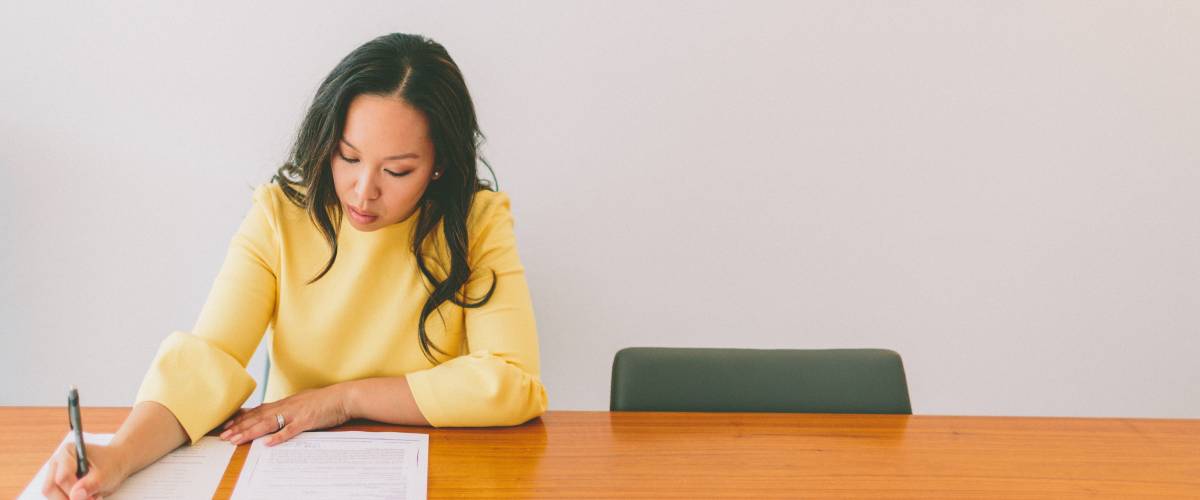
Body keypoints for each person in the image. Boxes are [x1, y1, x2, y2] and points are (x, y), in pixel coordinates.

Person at [42, 32, 547, 500]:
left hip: (437, 471)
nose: (363, 189)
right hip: (290, 471)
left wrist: (342, 400)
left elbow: (512, 382)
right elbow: (208, 360)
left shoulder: (475, 221)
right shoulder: (281, 214)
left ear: (438, 165)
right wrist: (120, 455)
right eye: (348, 157)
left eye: (397, 170)